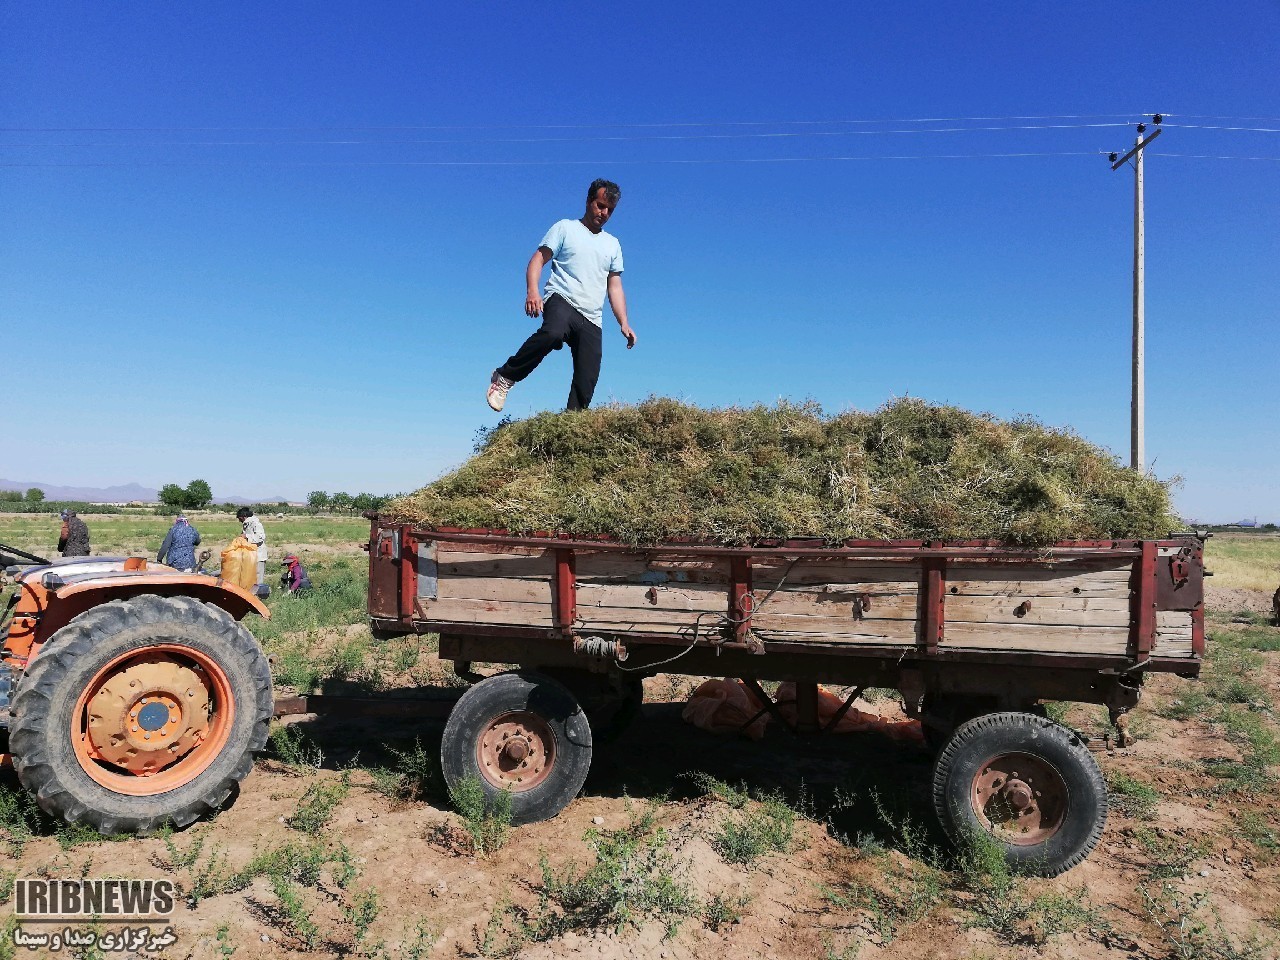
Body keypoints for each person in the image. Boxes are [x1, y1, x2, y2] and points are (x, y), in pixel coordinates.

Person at [487, 178, 637, 413]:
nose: (604, 212)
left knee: (587, 379)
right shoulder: (565, 228)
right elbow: (538, 259)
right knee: (553, 333)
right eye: (600, 205)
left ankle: (570, 426)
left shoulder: (612, 244)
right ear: (588, 201)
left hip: (591, 317)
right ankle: (505, 376)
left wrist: (624, 322)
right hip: (562, 298)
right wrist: (533, 291)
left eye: (610, 209)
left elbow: (614, 286)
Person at [236, 507, 267, 585]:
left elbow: (260, 537)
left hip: (259, 556)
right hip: (250, 556)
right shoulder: (246, 524)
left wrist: (246, 536)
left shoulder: (255, 523)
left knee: (258, 577)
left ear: (244, 516)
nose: (239, 521)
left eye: (240, 518)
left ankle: (259, 595)